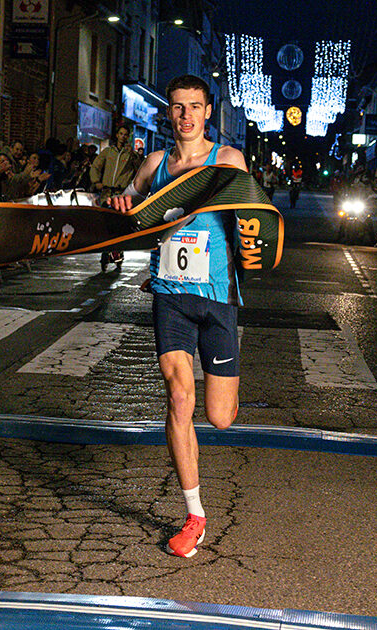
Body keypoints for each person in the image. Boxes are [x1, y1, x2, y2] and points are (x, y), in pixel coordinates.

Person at [110, 75, 248, 558]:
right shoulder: (154, 164)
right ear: (168, 113)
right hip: (169, 293)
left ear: (209, 111)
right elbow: (128, 208)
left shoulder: (227, 161)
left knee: (220, 416)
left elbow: (252, 222)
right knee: (178, 397)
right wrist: (124, 205)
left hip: (217, 296)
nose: (186, 115)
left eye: (195, 106)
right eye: (177, 107)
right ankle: (194, 515)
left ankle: (229, 372)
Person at [90, 124, 142, 271]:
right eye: (121, 134)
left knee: (120, 225)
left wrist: (135, 156)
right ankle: (105, 254)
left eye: (126, 134)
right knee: (106, 224)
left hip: (122, 194)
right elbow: (95, 166)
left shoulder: (130, 155)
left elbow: (140, 168)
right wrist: (96, 182)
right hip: (107, 193)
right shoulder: (108, 152)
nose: (123, 136)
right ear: (117, 135)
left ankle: (118, 252)